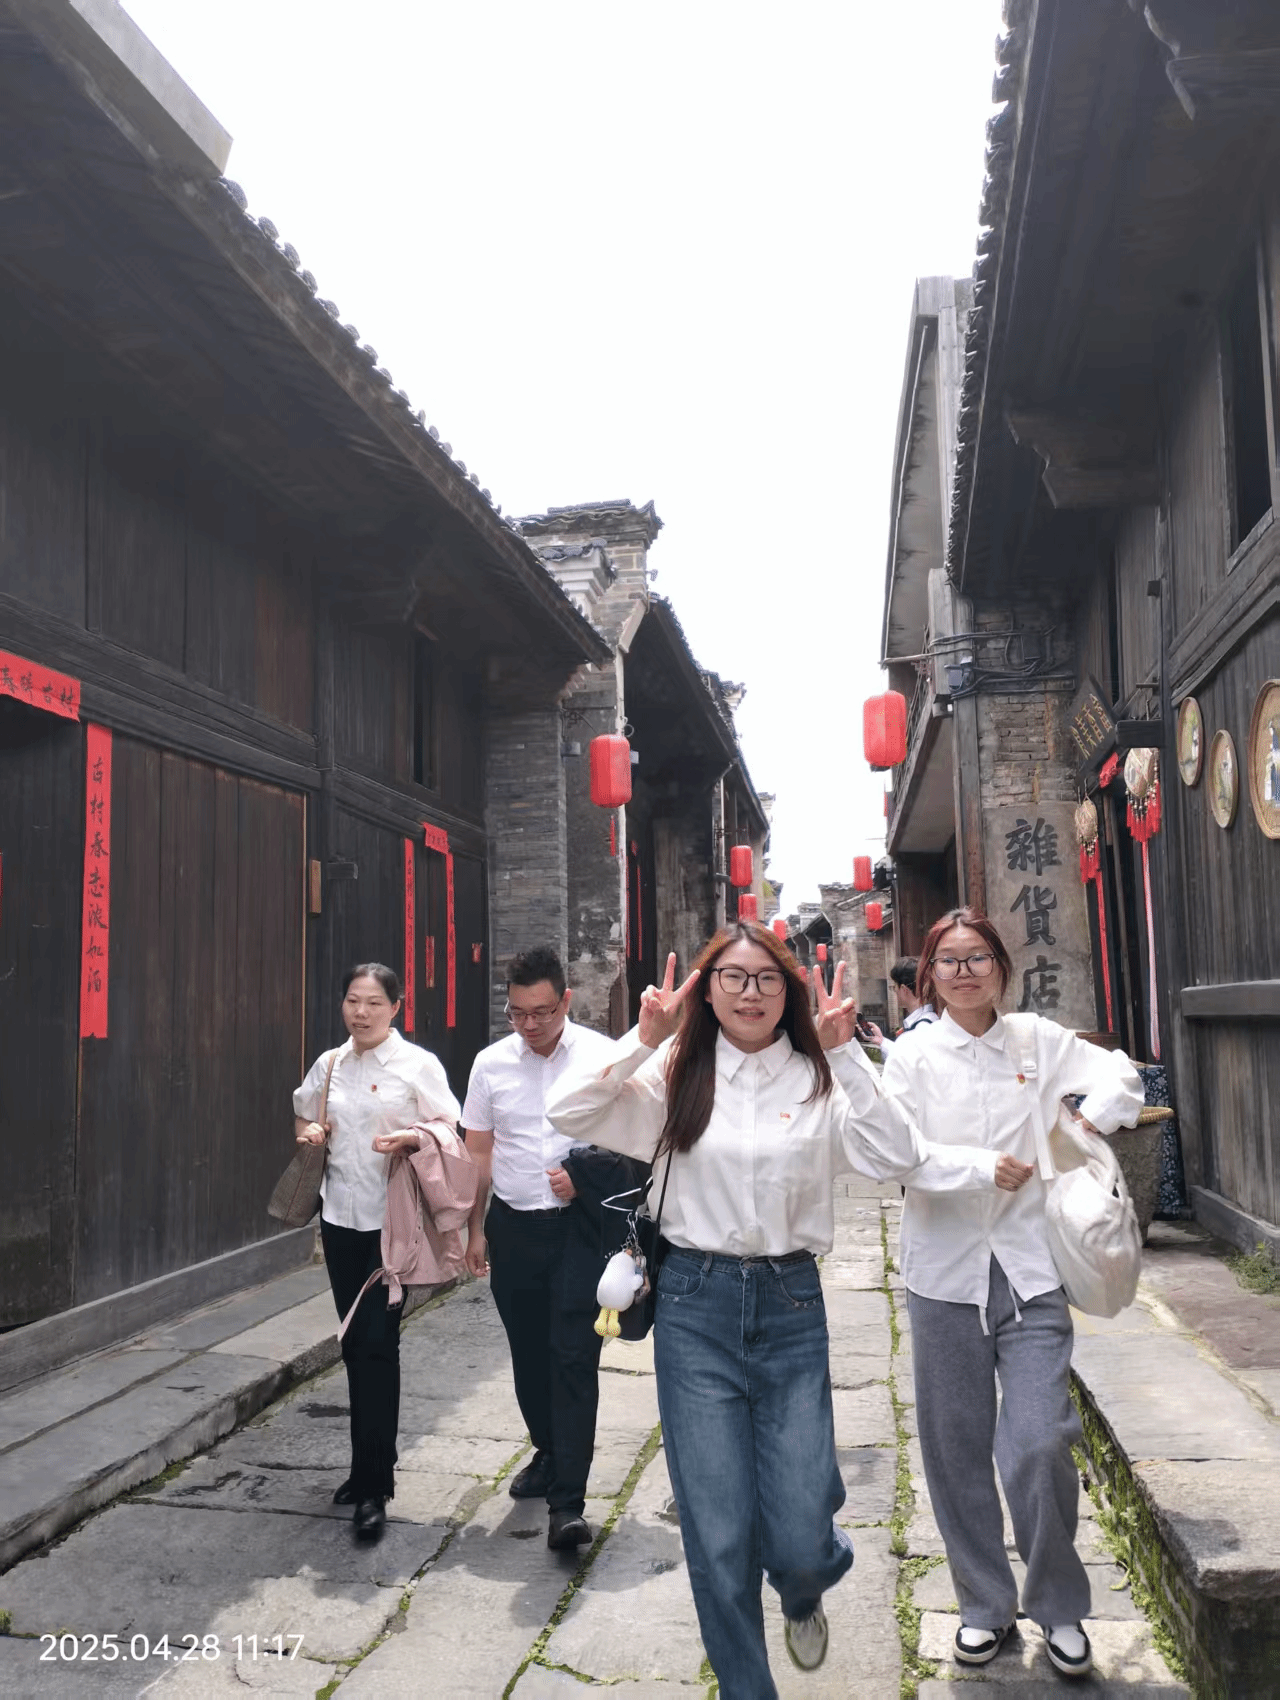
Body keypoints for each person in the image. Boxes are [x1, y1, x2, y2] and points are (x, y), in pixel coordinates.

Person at [544, 922, 997, 1698]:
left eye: (766, 979)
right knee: (716, 1529)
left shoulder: (818, 1076)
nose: (749, 993)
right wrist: (644, 1039)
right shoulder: (677, 1076)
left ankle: (806, 1578)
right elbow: (568, 1110)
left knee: (798, 1532)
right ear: (707, 990)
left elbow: (900, 1158)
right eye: (733, 977)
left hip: (790, 1303)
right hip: (693, 1304)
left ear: (789, 992)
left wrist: (847, 1055)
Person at [879, 907, 1143, 1678]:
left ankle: (1058, 1605)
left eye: (978, 958)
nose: (965, 972)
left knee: (1039, 1438)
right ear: (930, 975)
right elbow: (894, 1152)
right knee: (954, 1445)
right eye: (949, 961)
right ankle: (984, 1606)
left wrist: (1086, 1121)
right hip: (944, 1273)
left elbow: (1120, 1074)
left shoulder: (1037, 1040)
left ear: (1001, 966)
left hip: (1031, 1269)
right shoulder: (912, 1056)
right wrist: (976, 1168)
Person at [293, 962, 460, 1543]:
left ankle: (374, 1488)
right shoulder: (330, 1064)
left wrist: (413, 1137)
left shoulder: (417, 1065)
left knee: (377, 1345)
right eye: (352, 1001)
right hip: (339, 1221)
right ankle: (365, 1467)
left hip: (392, 1225)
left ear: (396, 1007)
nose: (360, 1013)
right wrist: (311, 1133)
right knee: (353, 1345)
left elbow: (451, 1127)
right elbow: (304, 1110)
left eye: (372, 1003)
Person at [461, 946, 620, 1551]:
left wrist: (586, 1176)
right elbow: (478, 1151)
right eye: (518, 1013)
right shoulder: (490, 1064)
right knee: (528, 1356)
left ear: (566, 1001)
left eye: (542, 1012)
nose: (530, 1025)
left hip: (580, 1229)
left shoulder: (603, 1057)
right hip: (514, 1227)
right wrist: (474, 1228)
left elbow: (635, 1143)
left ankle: (567, 1504)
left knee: (573, 1358)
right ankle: (549, 1451)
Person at [860, 955, 938, 1051]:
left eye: (894, 987)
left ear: (904, 989)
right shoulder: (924, 1022)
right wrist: (880, 1040)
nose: (895, 991)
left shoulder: (923, 1027)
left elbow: (907, 1059)